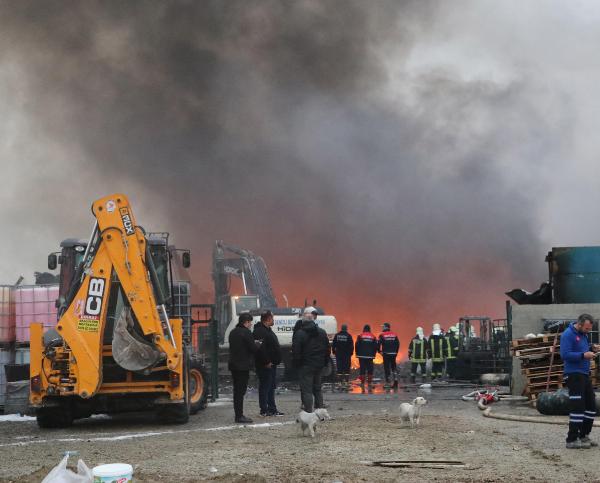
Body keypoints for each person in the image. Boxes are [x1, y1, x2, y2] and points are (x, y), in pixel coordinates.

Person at [560, 313, 599, 449]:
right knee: (578, 407)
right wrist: (583, 355)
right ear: (580, 324)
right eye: (587, 328)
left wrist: (591, 348)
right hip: (573, 375)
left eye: (589, 329)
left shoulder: (583, 335)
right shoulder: (568, 334)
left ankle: (583, 435)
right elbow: (564, 354)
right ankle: (571, 439)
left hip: (584, 374)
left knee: (591, 406)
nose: (588, 331)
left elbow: (582, 349)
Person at [292, 307, 331, 412]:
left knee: (307, 390)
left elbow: (296, 351)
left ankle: (309, 411)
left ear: (303, 322)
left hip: (306, 366)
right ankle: (320, 410)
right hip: (319, 365)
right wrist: (325, 362)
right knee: (317, 388)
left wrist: (297, 364)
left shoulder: (300, 333)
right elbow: (327, 349)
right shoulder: (322, 332)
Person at [228, 313, 260, 423]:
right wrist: (258, 345)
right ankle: (239, 415)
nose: (251, 324)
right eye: (250, 322)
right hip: (243, 366)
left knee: (237, 391)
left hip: (233, 365)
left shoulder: (232, 332)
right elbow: (253, 349)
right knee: (240, 391)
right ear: (246, 322)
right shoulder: (246, 333)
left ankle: (238, 414)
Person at [253, 310, 284, 417]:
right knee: (265, 387)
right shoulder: (260, 331)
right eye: (272, 319)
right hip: (265, 365)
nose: (273, 320)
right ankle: (264, 410)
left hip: (271, 365)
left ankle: (272, 409)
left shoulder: (268, 330)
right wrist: (266, 362)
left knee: (270, 387)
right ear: (268, 319)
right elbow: (260, 349)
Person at [355, 324, 378, 388]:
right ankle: (369, 383)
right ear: (369, 329)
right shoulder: (373, 336)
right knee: (370, 369)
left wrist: (357, 353)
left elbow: (356, 345)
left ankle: (362, 383)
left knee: (362, 369)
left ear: (364, 329)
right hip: (370, 356)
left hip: (361, 356)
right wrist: (374, 354)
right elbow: (376, 346)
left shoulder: (360, 336)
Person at [378, 322, 400, 388]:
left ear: (386, 327)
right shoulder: (394, 334)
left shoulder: (382, 335)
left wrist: (379, 351)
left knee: (387, 368)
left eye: (383, 326)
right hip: (393, 354)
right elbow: (398, 344)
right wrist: (396, 352)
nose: (382, 327)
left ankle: (388, 383)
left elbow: (378, 344)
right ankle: (396, 382)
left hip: (386, 353)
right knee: (393, 367)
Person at [332, 324, 354, 389]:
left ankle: (340, 383)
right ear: (346, 329)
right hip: (346, 355)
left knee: (339, 368)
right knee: (346, 368)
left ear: (341, 328)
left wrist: (334, 352)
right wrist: (351, 353)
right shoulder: (349, 336)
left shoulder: (337, 335)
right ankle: (346, 382)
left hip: (339, 354)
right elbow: (351, 346)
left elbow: (333, 344)